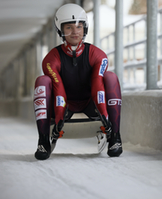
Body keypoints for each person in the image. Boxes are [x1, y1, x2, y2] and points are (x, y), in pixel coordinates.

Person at [33, 3, 122, 160]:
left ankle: (115, 136)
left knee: (110, 77)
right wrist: (59, 116)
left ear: (85, 28)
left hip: (91, 102)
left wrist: (103, 113)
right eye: (69, 27)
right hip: (63, 105)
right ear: (60, 30)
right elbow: (58, 89)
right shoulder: (51, 59)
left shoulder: (97, 55)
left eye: (79, 27)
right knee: (42, 81)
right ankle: (43, 141)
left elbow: (97, 85)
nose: (75, 32)